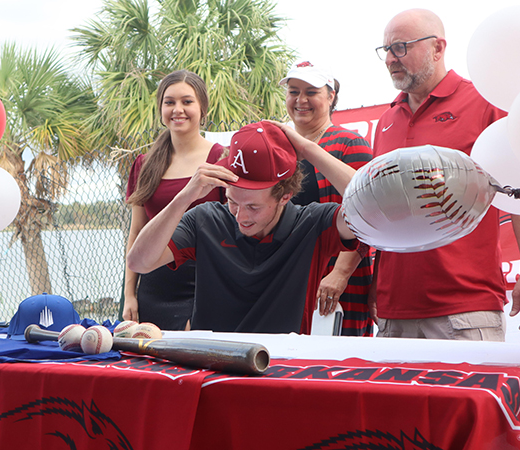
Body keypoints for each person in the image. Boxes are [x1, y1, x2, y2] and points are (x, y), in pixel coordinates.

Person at [369, 8, 520, 340]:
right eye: (386, 50)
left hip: (465, 307)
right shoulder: (386, 121)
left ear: (438, 48)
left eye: (400, 47)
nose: (390, 59)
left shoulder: (484, 104)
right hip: (394, 313)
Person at [127, 120, 360, 333]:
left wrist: (309, 150)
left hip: (279, 366)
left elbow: (372, 205)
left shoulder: (312, 224)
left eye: (254, 207)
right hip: (213, 364)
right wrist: (183, 198)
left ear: (285, 196)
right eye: (232, 201)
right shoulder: (205, 220)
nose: (240, 216)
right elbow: (139, 261)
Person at [123, 70, 225, 330]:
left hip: (205, 288)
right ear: (160, 109)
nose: (177, 109)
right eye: (169, 102)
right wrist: (129, 295)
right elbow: (136, 232)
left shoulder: (220, 159)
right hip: (153, 288)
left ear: (203, 108)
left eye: (187, 101)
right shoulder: (144, 164)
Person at [280, 61, 374, 336]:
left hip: (336, 287)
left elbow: (369, 210)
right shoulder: (279, 145)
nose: (300, 100)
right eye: (293, 91)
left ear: (331, 96)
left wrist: (340, 274)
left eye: (311, 92)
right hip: (288, 278)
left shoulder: (348, 143)